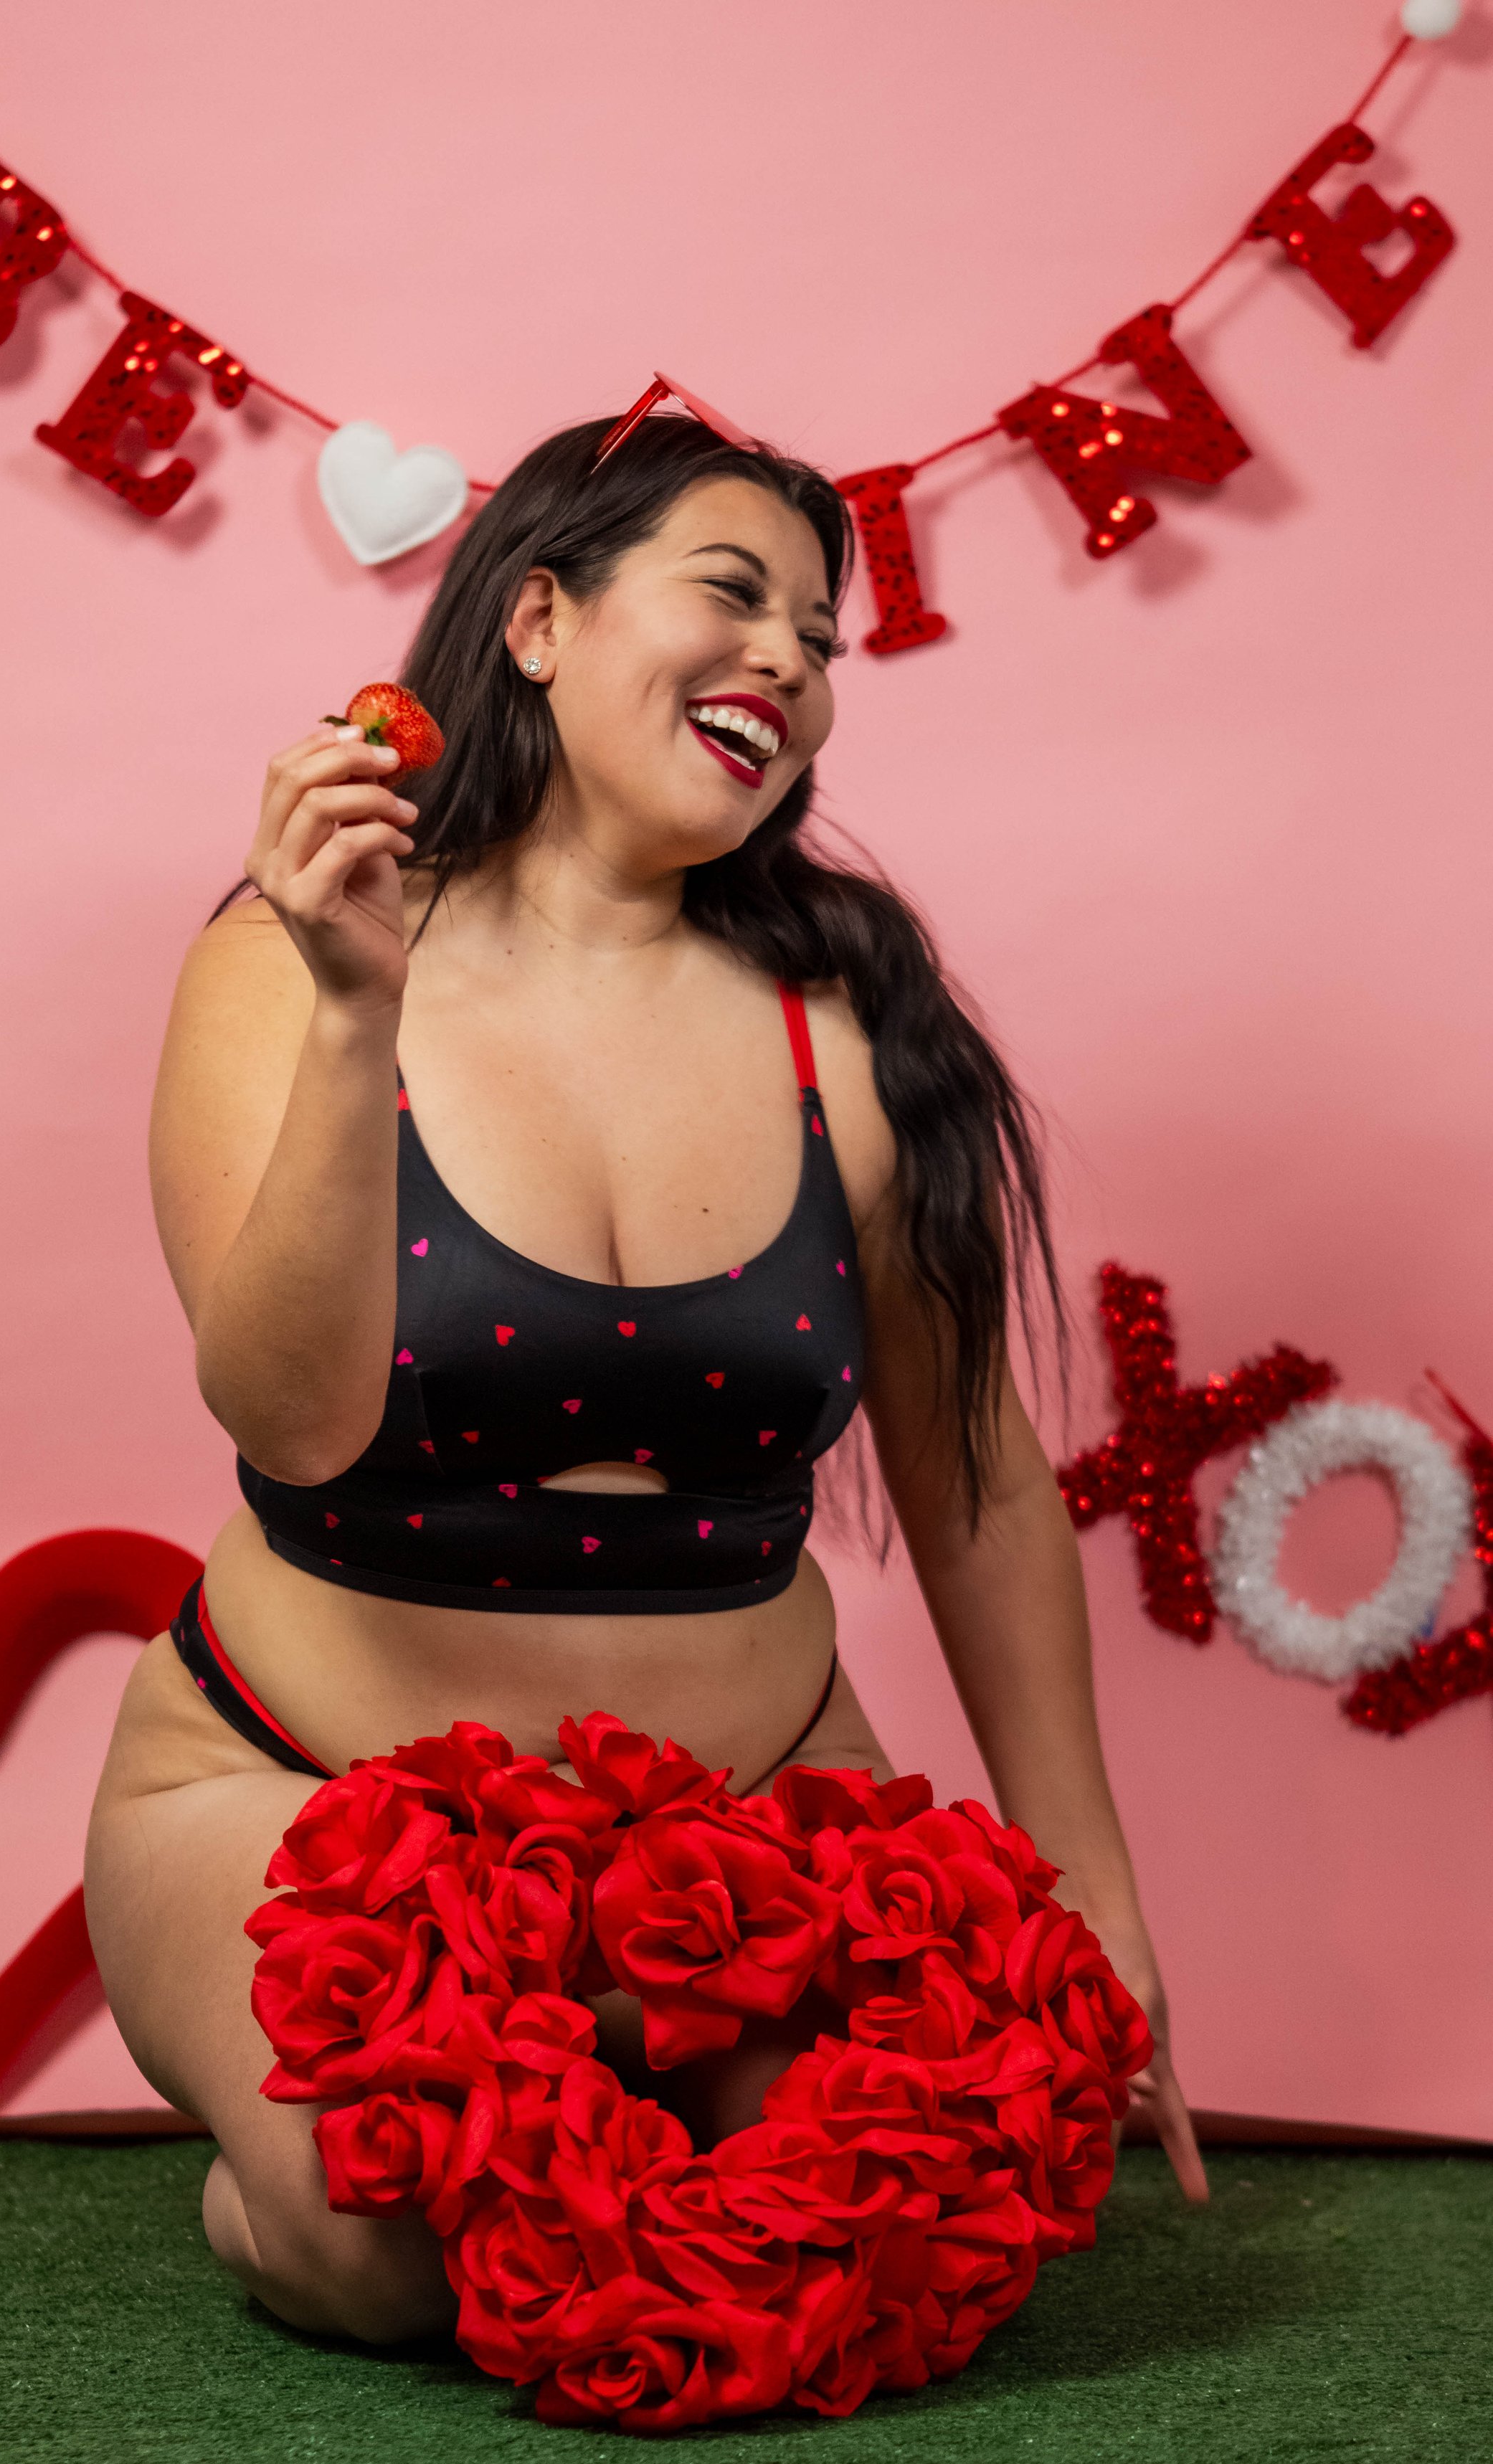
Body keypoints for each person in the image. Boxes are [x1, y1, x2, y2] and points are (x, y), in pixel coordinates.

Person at [83, 411, 1208, 2348]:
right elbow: (290, 1421)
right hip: (296, 1790)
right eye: (734, 592)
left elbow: (972, 1480)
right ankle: (299, 2189)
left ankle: (631, 2078)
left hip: (750, 1825)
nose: (791, 657)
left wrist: (1093, 1900)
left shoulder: (844, 1012)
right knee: (397, 2247)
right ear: (535, 618)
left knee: (900, 2217)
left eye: (824, 638)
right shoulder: (285, 964)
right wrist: (358, 1020)